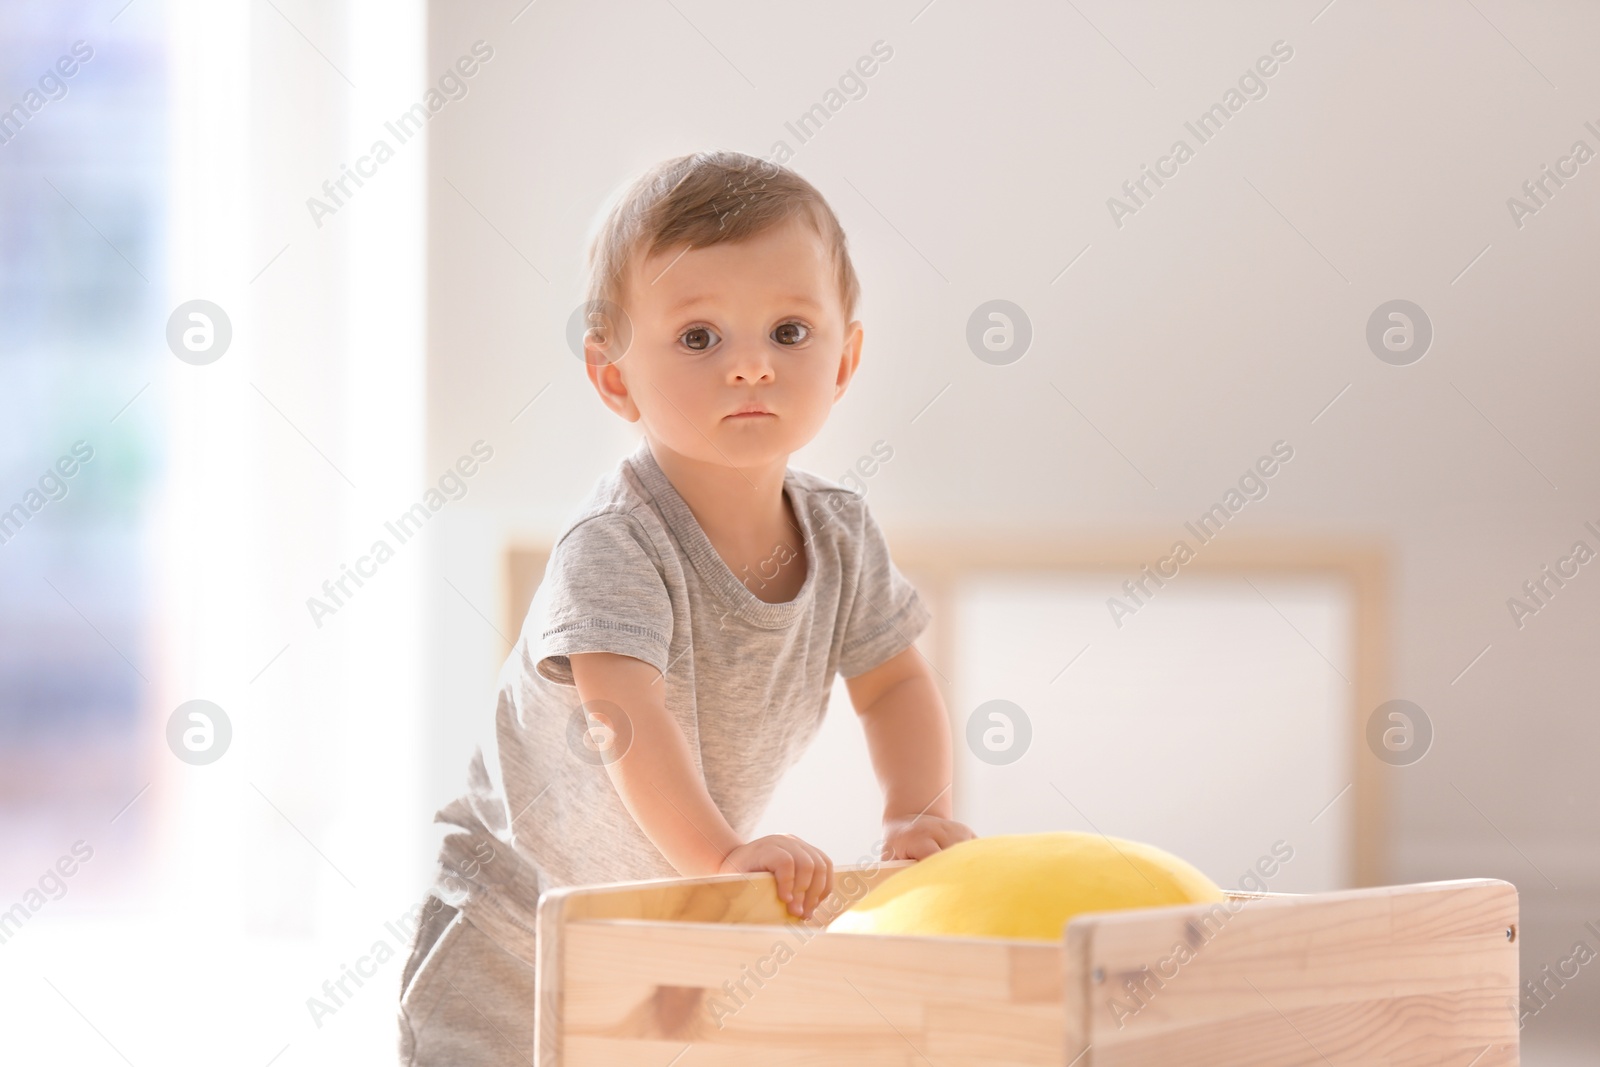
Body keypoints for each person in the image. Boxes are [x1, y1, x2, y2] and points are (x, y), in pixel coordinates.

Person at [396, 149, 975, 1065]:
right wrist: (720, 857)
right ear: (614, 376)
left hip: (662, 913)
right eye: (700, 338)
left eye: (788, 332)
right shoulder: (618, 543)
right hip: (515, 919)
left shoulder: (842, 535)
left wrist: (914, 808)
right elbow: (623, 716)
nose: (750, 367)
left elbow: (895, 681)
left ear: (846, 357)